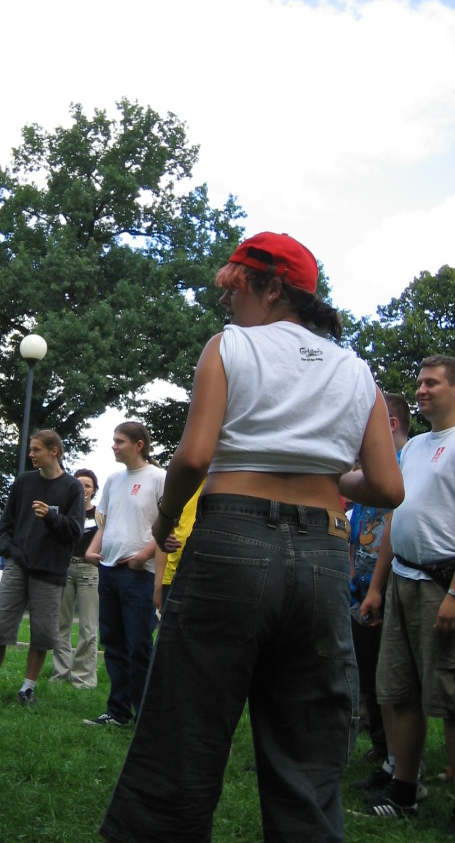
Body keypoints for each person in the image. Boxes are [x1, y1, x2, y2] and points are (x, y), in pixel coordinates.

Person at [99, 231, 404, 843]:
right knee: (307, 747)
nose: (227, 301)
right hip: (324, 554)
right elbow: (387, 486)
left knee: (186, 729)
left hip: (230, 540)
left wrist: (165, 520)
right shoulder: (356, 371)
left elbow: (194, 457)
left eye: (235, 287)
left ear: (271, 289)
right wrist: (322, 474)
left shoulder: (229, 346)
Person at [359, 355, 455, 827]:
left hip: (443, 584)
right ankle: (404, 792)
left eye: (431, 382)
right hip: (402, 579)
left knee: (451, 697)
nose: (421, 390)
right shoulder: (414, 446)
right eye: (419, 382)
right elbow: (396, 516)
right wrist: (377, 586)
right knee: (397, 690)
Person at [0, 430, 84, 706]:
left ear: (54, 451)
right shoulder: (24, 482)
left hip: (50, 572)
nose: (31, 454)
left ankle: (27, 689)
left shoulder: (72, 487)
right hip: (18, 566)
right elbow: (5, 524)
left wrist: (51, 517)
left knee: (42, 633)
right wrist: (10, 552)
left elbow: (75, 531)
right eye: (31, 449)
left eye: (36, 449)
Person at [83, 421, 166, 727]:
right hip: (109, 572)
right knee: (113, 644)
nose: (113, 446)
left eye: (119, 441)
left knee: (139, 646)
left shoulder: (159, 478)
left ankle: (146, 717)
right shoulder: (114, 480)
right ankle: (118, 711)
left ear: (138, 445)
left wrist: (142, 557)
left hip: (138, 576)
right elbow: (104, 524)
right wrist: (92, 551)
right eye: (114, 440)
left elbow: (168, 525)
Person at [348, 394, 409, 765]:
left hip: (392, 582)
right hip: (361, 586)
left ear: (391, 424)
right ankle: (382, 748)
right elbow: (357, 524)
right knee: (369, 671)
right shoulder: (371, 470)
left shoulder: (406, 463)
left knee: (393, 676)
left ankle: (401, 758)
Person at [52, 468, 101, 688]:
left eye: (88, 485)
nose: (83, 489)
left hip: (89, 571)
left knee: (88, 628)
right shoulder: (65, 513)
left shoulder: (99, 515)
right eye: (79, 484)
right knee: (61, 624)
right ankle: (60, 674)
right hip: (65, 569)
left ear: (94, 490)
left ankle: (83, 678)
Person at [153, 483, 201, 615]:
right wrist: (159, 584)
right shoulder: (182, 486)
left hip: (207, 577)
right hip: (172, 578)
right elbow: (165, 536)